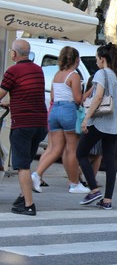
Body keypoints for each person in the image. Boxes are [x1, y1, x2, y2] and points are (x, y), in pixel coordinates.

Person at [31, 46, 90, 195]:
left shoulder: (57, 75)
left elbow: (52, 97)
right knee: (72, 149)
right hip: (68, 111)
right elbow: (77, 99)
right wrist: (89, 93)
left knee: (54, 149)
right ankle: (74, 183)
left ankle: (36, 174)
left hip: (54, 111)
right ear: (76, 60)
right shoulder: (74, 76)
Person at [0, 39, 49, 216]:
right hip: (40, 123)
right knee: (27, 162)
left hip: (23, 125)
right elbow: (28, 95)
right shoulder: (38, 70)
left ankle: (28, 205)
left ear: (14, 53)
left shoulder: (12, 71)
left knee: (22, 166)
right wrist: (11, 104)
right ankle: (23, 196)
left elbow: (1, 92)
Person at [76, 42, 117, 210]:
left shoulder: (101, 73)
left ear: (102, 58)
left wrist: (86, 119)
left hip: (100, 122)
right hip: (115, 124)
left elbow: (97, 98)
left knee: (81, 152)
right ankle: (107, 200)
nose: (96, 61)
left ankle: (94, 188)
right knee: (110, 161)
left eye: (97, 58)